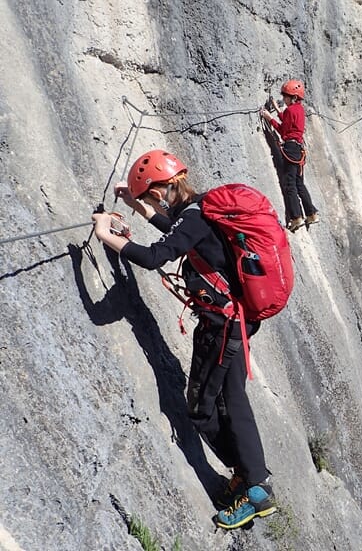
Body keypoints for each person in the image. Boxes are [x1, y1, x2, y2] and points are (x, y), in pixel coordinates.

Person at [91, 149, 276, 529]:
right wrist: (137, 206)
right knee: (233, 399)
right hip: (236, 320)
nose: (150, 203)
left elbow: (156, 255)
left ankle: (254, 485)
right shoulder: (203, 206)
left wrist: (106, 237)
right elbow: (178, 232)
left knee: (202, 410)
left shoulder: (193, 217)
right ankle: (251, 477)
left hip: (220, 327)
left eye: (149, 196)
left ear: (161, 190)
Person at [260, 79, 319, 232]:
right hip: (299, 149)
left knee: (290, 184)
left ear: (293, 98)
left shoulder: (290, 110)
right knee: (299, 183)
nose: (284, 98)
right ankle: (311, 214)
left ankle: (296, 217)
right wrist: (275, 109)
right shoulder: (299, 110)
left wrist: (269, 118)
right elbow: (288, 122)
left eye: (286, 96)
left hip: (291, 148)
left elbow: (283, 130)